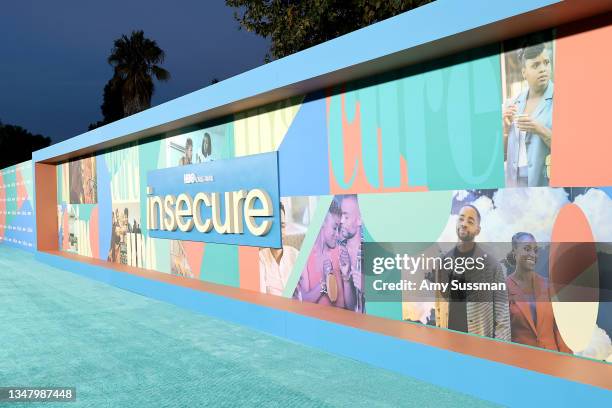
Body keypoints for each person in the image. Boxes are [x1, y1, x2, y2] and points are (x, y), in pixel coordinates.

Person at [434, 205, 510, 340]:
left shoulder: (492, 265)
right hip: (449, 344)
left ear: (478, 230)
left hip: (479, 347)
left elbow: (502, 315)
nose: (464, 224)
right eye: (461, 219)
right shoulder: (443, 263)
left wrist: (500, 353)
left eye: (470, 221)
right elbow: (440, 307)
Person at [505, 232, 571, 352]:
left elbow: (560, 329)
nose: (532, 254)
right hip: (521, 363)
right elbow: (502, 330)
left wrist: (567, 359)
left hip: (552, 362)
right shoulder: (504, 287)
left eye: (535, 250)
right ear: (514, 251)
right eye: (527, 249)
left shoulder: (549, 286)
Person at [503, 41, 553, 187]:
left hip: (545, 187)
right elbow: (503, 153)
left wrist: (540, 130)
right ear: (524, 72)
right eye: (535, 65)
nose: (543, 69)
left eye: (546, 62)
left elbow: (573, 151)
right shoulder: (514, 102)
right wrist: (505, 130)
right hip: (514, 184)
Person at [295, 199, 345, 307]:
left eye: (339, 228)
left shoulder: (338, 252)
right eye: (335, 227)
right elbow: (304, 300)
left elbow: (342, 304)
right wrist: (325, 283)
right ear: (322, 222)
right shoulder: (305, 256)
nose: (338, 234)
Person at [259, 203, 299, 296]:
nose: (279, 232)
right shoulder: (260, 259)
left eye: (282, 226)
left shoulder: (296, 255)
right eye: (274, 226)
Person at [338, 194, 363, 312]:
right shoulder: (338, 249)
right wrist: (346, 278)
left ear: (359, 220)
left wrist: (370, 289)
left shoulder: (373, 248)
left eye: (346, 217)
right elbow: (350, 308)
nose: (341, 221)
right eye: (340, 215)